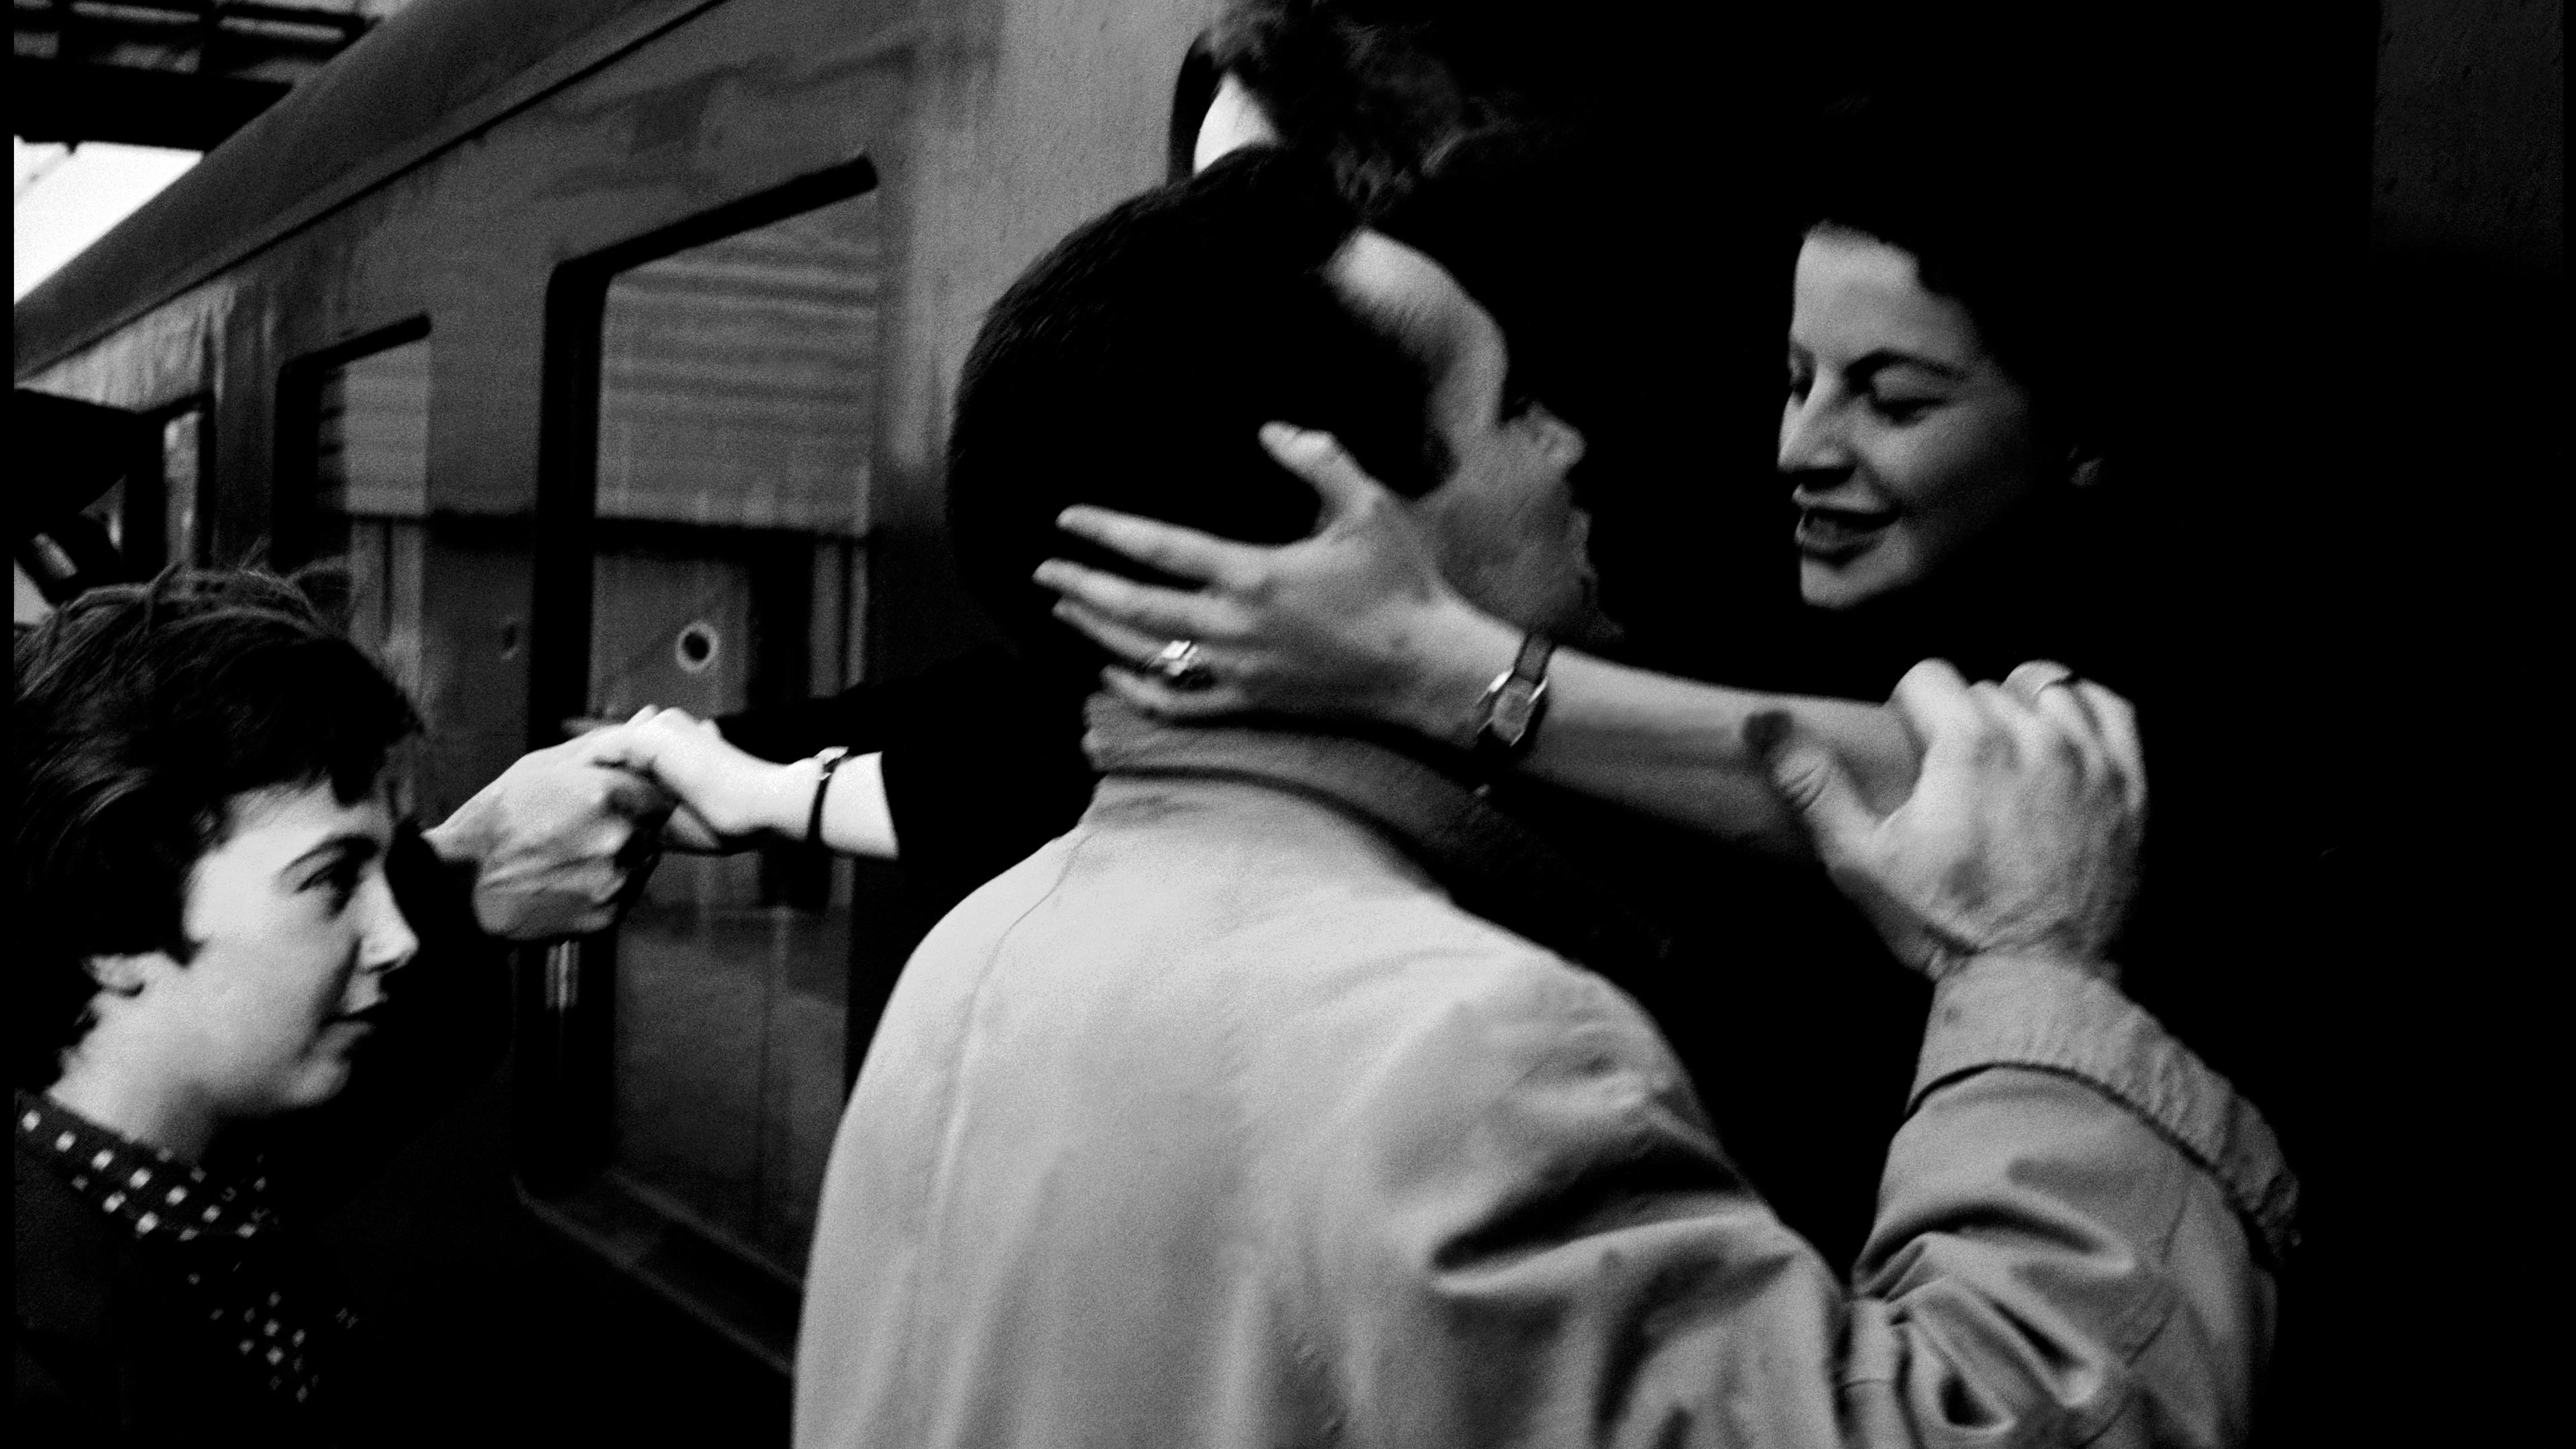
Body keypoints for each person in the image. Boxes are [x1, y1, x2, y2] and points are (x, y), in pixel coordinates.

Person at [609, 148, 2291, 1449]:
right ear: (1339, 524)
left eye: (1894, 395)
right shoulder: (1469, 1057)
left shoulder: (966, 966)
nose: (1577, 447)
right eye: (1515, 405)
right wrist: (2041, 979)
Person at [11, 568, 672, 1442]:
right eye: (330, 882)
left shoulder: (211, 1210)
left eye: (383, 869)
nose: (398, 938)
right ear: (112, 923)